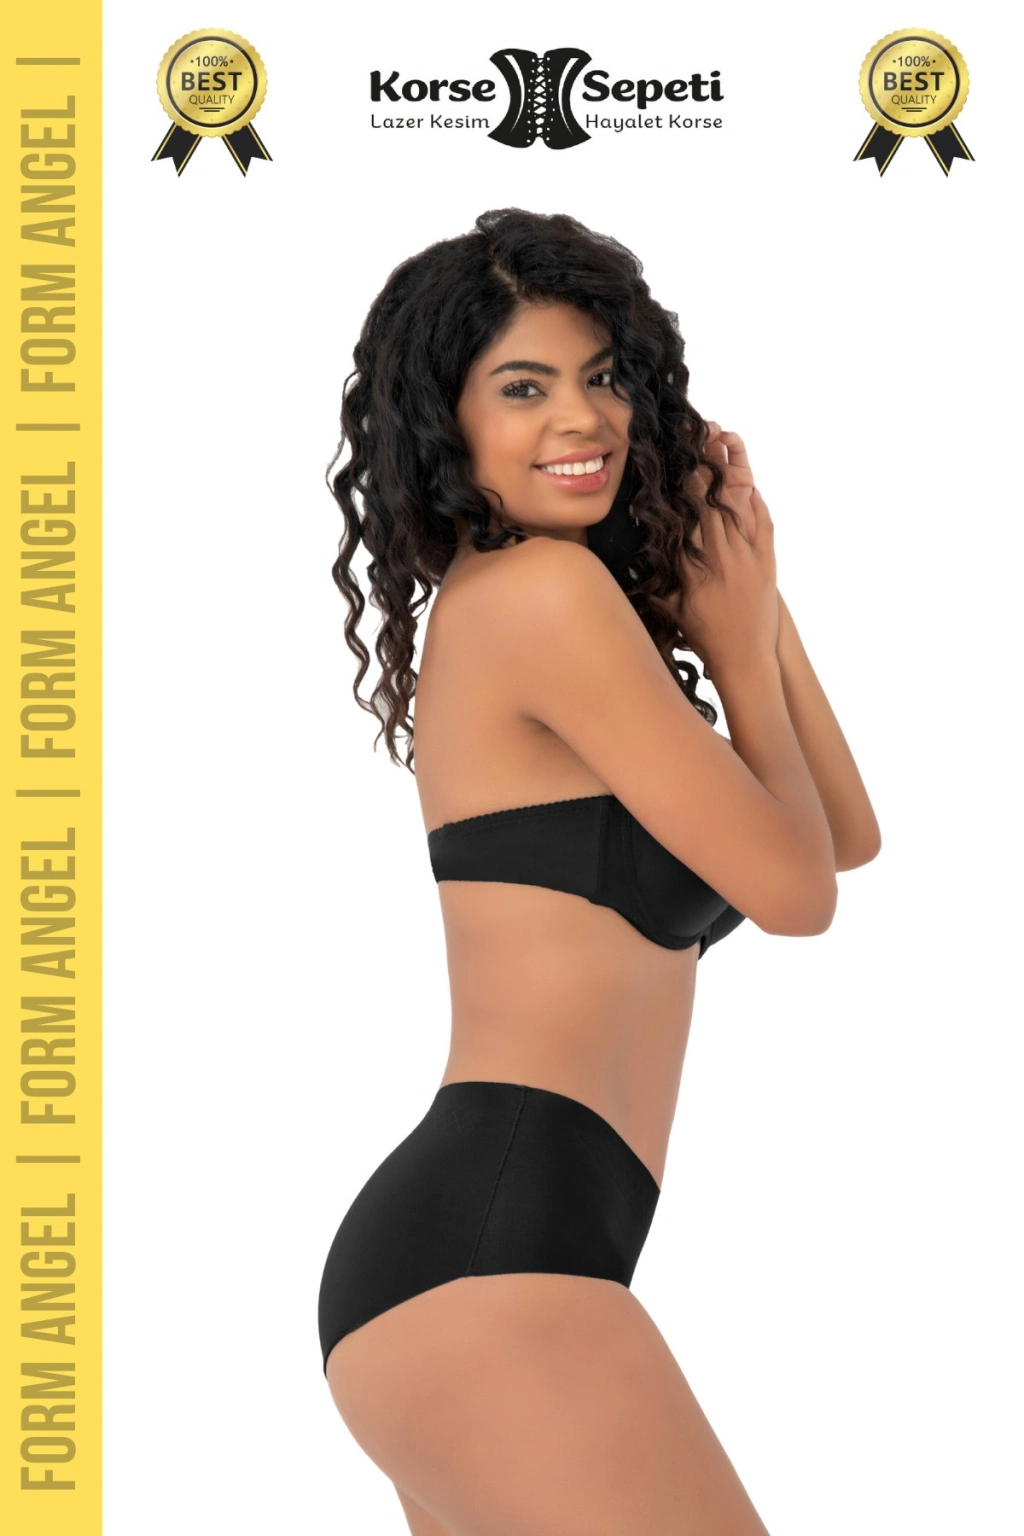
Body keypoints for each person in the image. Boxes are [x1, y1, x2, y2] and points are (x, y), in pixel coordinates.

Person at [319, 207, 881, 1536]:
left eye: (605, 375)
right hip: (494, 1269)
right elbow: (796, 896)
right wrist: (735, 652)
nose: (584, 418)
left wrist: (752, 602)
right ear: (447, 422)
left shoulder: (546, 604)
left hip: (477, 1274)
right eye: (524, 387)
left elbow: (843, 834)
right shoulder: (538, 598)